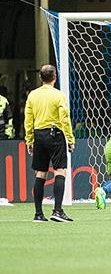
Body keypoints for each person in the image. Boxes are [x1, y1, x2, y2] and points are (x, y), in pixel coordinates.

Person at [24, 65, 75, 222]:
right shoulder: (58, 95)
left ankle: (38, 214)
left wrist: (29, 139)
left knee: (40, 173)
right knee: (60, 171)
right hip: (55, 134)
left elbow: (28, 119)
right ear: (55, 77)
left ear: (40, 78)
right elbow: (64, 118)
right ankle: (57, 211)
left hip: (39, 135)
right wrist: (70, 139)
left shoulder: (33, 95)